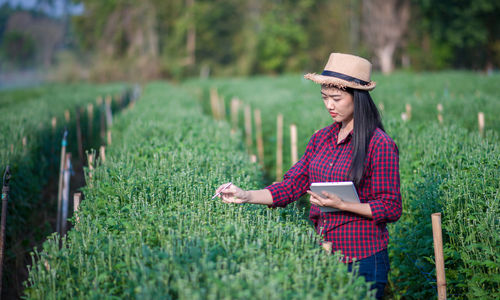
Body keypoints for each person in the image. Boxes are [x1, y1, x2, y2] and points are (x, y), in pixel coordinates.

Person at [214, 53, 402, 299]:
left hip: (364, 258)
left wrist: (343, 205)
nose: (329, 106)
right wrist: (245, 195)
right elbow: (291, 186)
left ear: (358, 99)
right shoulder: (321, 138)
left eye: (336, 98)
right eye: (324, 98)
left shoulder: (379, 144)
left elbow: (391, 207)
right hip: (324, 253)